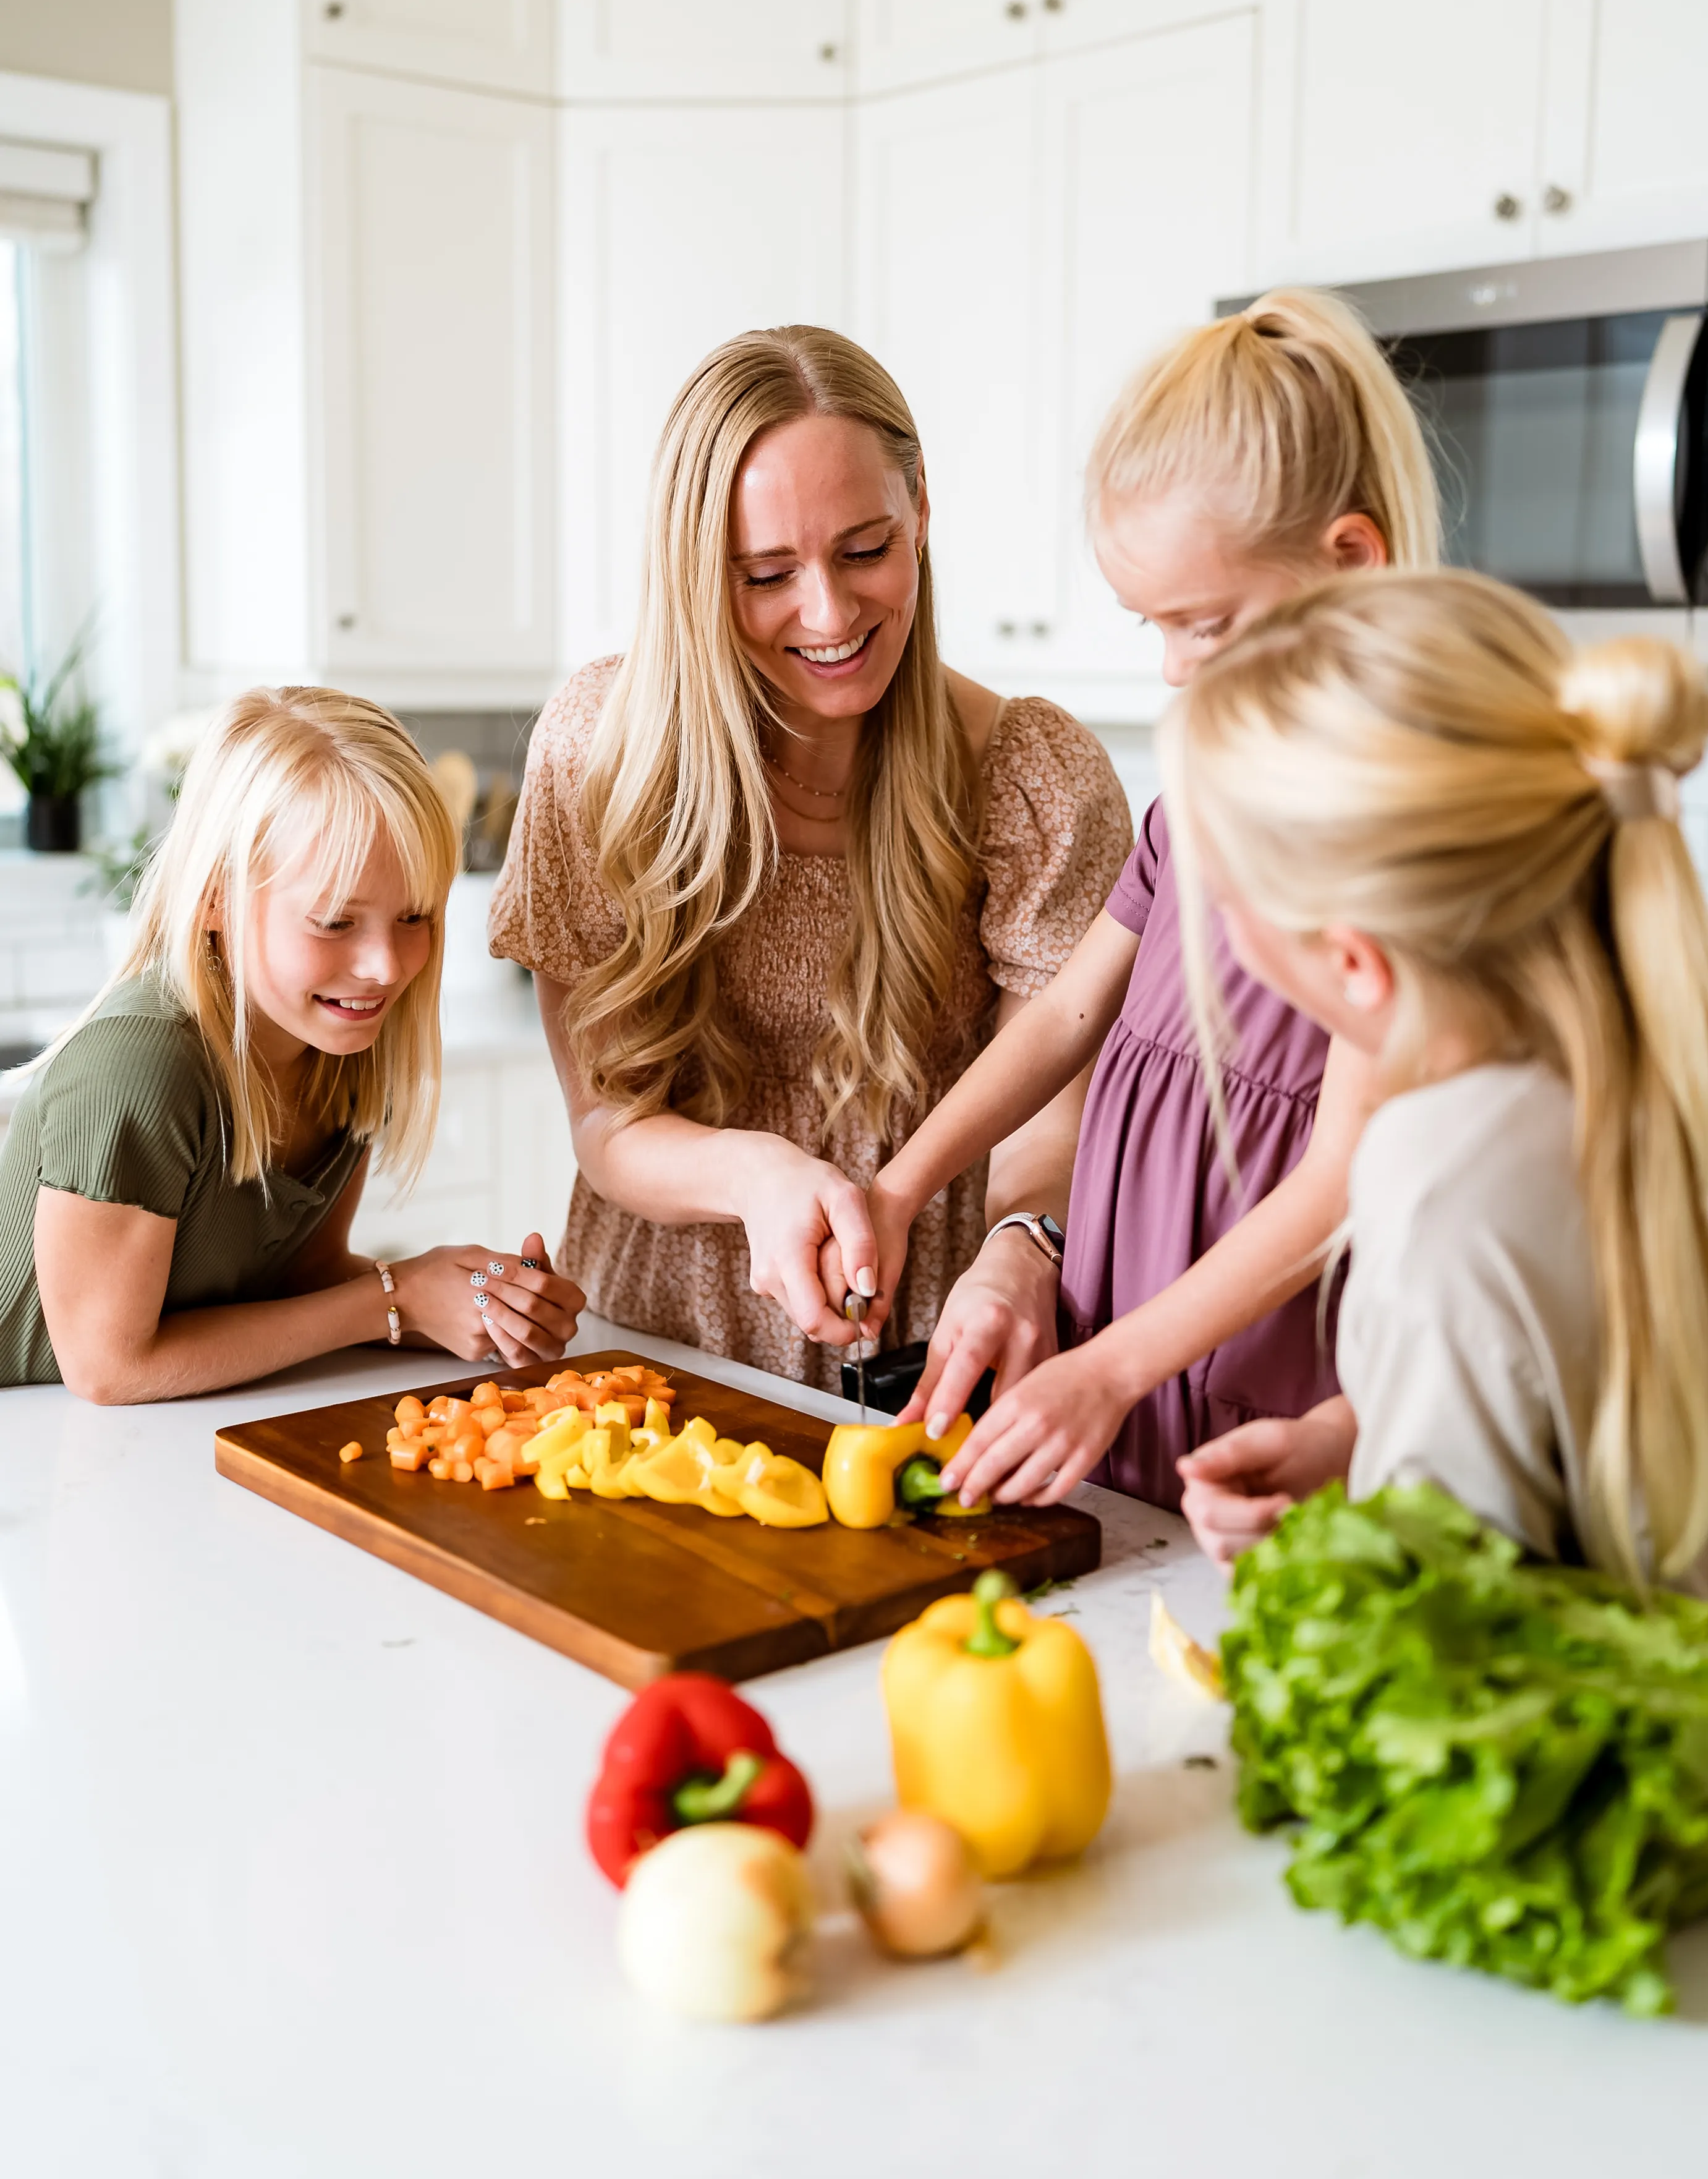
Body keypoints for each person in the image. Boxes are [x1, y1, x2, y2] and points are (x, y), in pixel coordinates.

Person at [856, 288, 1440, 1509]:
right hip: (1124, 1365)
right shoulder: (1198, 808)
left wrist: (1114, 1364)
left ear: (1351, 561)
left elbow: (1338, 1177)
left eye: (1204, 622)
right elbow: (1069, 1016)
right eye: (1151, 626)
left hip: (1259, 1371)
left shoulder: (1403, 837)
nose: (1172, 665)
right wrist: (902, 1183)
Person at [488, 325, 1130, 1392]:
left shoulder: (1030, 777)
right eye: (766, 572)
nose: (829, 613)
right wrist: (755, 1171)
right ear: (696, 569)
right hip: (656, 1343)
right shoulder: (603, 755)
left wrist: (1025, 1242)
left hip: (931, 1343)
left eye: (866, 549)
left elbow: (1056, 1104)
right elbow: (608, 1124)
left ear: (920, 509)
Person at [1168, 570, 1708, 1603]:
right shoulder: (1687, 1041)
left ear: (1352, 963)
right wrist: (1360, 1434)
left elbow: (1458, 1644)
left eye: (1228, 898)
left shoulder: (1434, 1181)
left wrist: (1350, 1558)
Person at [0, 688, 585, 1399]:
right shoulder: (140, 1066)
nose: (387, 966)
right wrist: (392, 1299)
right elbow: (111, 1366)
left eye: (414, 915)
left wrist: (470, 1300)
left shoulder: (349, 1044)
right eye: (336, 922)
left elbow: (303, 1283)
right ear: (217, 899)